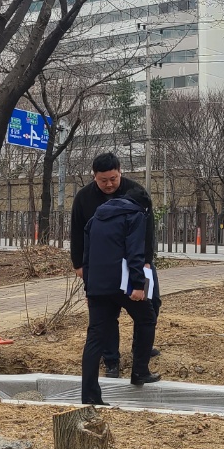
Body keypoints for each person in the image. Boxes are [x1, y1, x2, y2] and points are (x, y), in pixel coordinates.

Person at [69, 151, 161, 377]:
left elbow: (147, 232)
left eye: (113, 179)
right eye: (103, 181)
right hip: (102, 266)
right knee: (105, 314)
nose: (109, 184)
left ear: (121, 172)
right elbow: (77, 232)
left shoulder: (135, 192)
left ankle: (141, 349)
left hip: (136, 262)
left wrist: (147, 262)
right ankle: (111, 359)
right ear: (94, 177)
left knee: (152, 304)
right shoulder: (84, 198)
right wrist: (79, 264)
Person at [80, 194, 159, 405]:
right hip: (123, 285)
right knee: (147, 319)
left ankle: (89, 396)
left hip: (97, 286)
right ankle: (140, 371)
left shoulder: (94, 220)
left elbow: (86, 257)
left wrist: (89, 288)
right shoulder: (135, 216)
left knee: (95, 338)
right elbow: (135, 252)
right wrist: (138, 284)